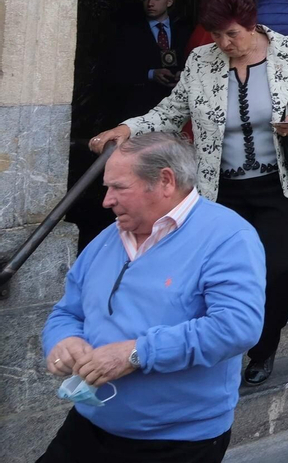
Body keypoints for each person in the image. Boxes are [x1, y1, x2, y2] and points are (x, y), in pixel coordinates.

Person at [89, 0, 288, 387]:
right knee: (215, 272)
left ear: (252, 23)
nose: (224, 43)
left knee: (280, 269)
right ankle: (216, 349)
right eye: (217, 34)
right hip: (222, 189)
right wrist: (126, 128)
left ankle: (263, 347)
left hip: (285, 185)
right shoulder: (202, 61)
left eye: (232, 34)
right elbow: (170, 111)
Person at [38, 133, 265, 463]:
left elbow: (236, 328)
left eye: (119, 187)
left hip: (177, 440)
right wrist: (62, 341)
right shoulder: (107, 238)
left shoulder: (228, 236)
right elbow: (67, 311)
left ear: (165, 181)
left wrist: (136, 353)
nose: (107, 200)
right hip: (90, 425)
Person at [104, 0, 193, 116]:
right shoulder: (128, 31)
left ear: (169, 2)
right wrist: (151, 74)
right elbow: (115, 69)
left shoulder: (184, 30)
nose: (150, 3)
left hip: (178, 106)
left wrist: (183, 75)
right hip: (139, 105)